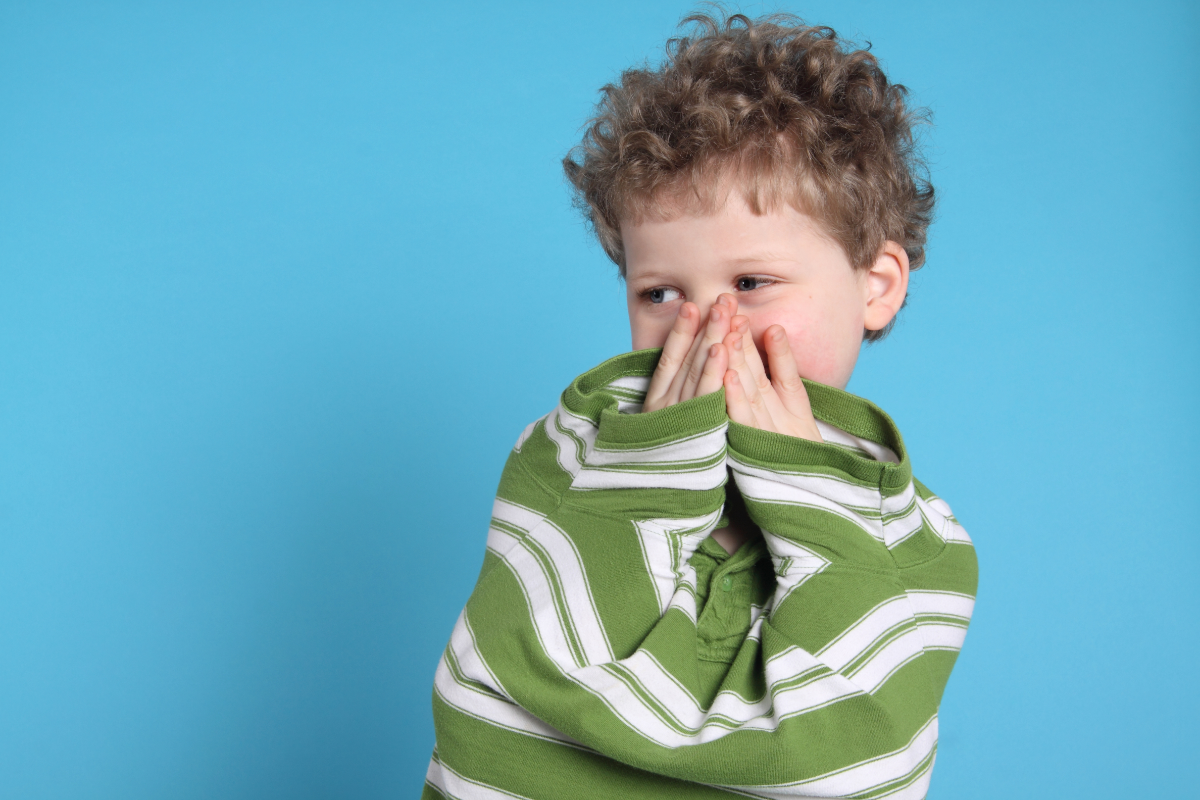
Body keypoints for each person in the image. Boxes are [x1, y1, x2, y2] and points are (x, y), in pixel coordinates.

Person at [422, 9, 978, 799]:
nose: (711, 324)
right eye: (659, 293)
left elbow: (857, 760)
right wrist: (653, 466)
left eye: (750, 283)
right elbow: (511, 686)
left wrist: (805, 484)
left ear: (876, 287)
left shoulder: (916, 538)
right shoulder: (565, 457)